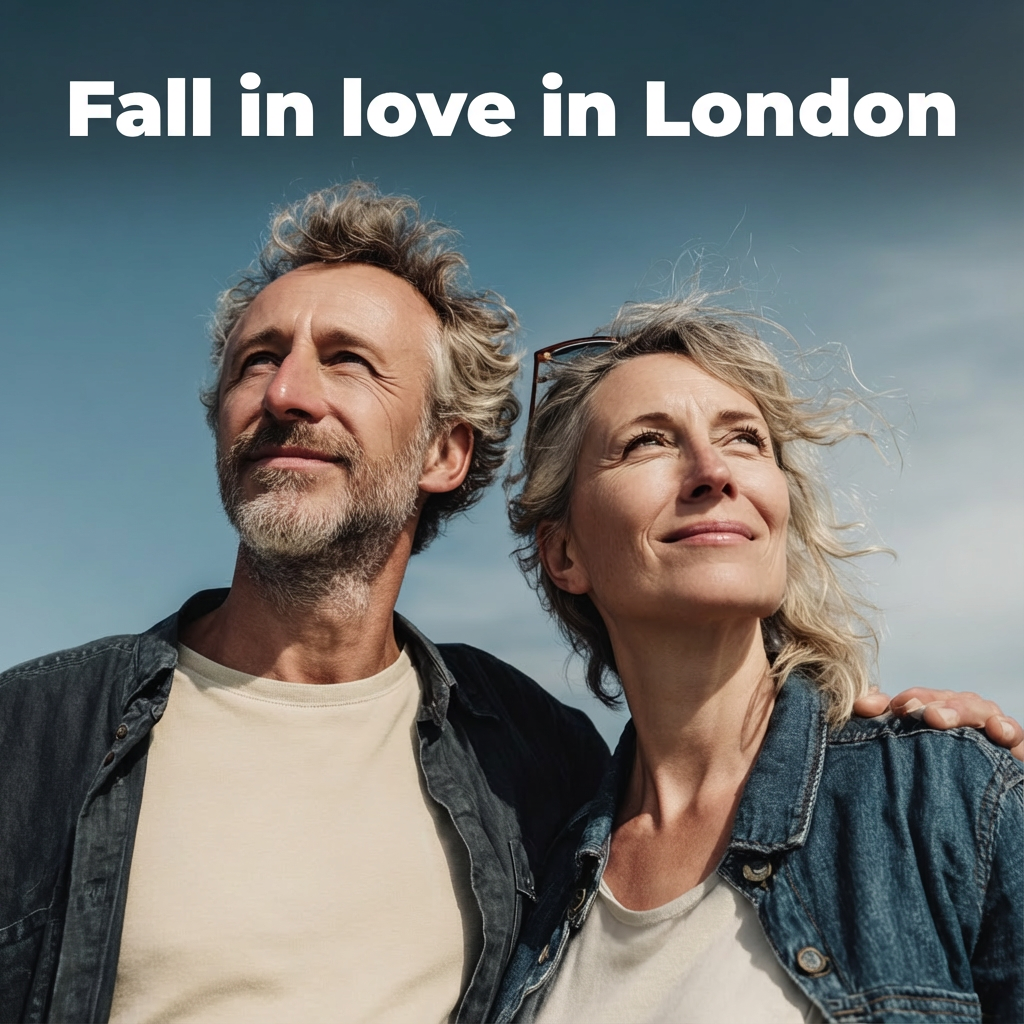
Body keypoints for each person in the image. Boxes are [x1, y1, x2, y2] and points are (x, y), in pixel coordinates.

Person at [0, 185, 1017, 1024]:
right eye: (256, 361)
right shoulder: (35, 734)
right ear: (562, 553)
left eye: (346, 360)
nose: (287, 394)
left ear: (446, 452)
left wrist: (943, 768)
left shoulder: (522, 764)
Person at [493, 297, 1023, 1023]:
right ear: (564, 552)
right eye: (648, 442)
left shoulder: (945, 793)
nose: (713, 472)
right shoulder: (536, 887)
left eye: (745, 440)